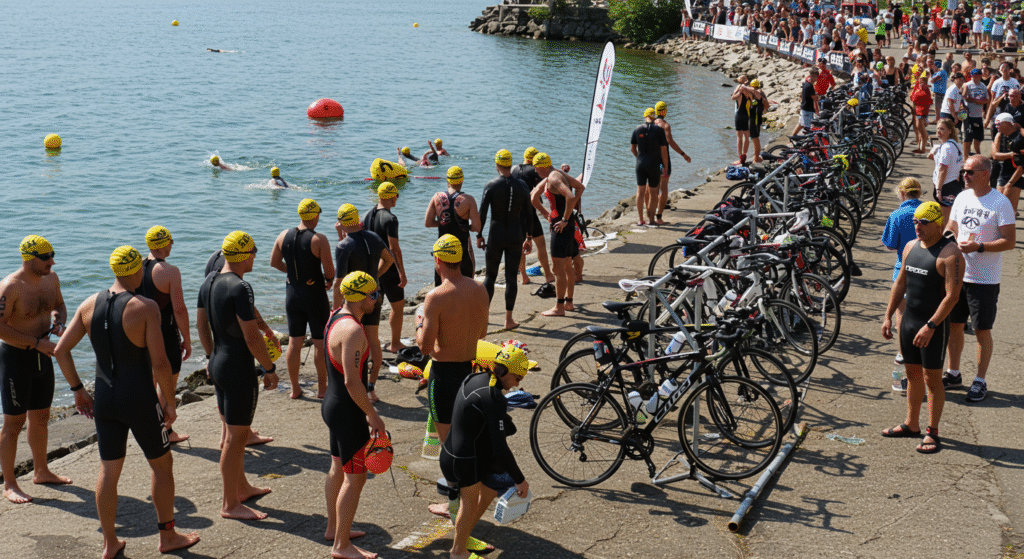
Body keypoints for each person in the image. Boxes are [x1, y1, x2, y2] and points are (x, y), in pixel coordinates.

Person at [53, 246, 201, 558]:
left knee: (108, 471)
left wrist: (78, 390)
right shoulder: (145, 306)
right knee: (162, 466)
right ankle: (168, 536)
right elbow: (160, 363)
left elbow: (60, 351)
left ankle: (110, 543)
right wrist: (170, 403)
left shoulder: (89, 304)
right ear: (135, 271)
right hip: (140, 400)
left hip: (105, 400)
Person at [196, 231, 280, 520]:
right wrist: (269, 368)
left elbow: (200, 325)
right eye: (254, 250)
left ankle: (241, 488)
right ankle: (230, 504)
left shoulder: (210, 281)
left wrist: (211, 357)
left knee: (237, 435)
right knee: (235, 438)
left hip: (219, 362)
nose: (257, 255)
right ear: (244, 254)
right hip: (238, 368)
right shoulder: (240, 287)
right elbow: (252, 337)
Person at [881, 200, 964, 455]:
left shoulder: (950, 254)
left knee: (932, 380)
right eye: (916, 221)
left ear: (938, 223)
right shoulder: (910, 246)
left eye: (924, 223)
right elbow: (900, 284)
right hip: (909, 323)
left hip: (933, 327)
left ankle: (933, 432)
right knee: (912, 376)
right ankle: (911, 423)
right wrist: (887, 316)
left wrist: (931, 325)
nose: (918, 227)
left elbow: (952, 296)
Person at [418, 235, 489, 519]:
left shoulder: (436, 296)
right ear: (460, 259)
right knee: (469, 438)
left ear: (437, 260)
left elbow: (424, 347)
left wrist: (420, 323)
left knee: (449, 445)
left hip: (444, 376)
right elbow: (482, 333)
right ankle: (474, 492)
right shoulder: (480, 289)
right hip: (471, 373)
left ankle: (454, 503)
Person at [441, 344, 531, 559]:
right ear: (506, 372)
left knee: (490, 489)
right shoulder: (494, 397)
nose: (516, 385)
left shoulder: (475, 377)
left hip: (449, 453)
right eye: (518, 378)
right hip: (465, 459)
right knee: (469, 503)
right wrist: (520, 479)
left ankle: (463, 538)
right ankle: (458, 551)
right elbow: (500, 447)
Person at [0, 235, 70, 504]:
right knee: (13, 423)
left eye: (52, 255)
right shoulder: (10, 287)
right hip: (16, 359)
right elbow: (1, 327)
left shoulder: (51, 279)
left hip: (43, 355)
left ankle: (41, 471)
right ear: (29, 260)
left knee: (41, 417)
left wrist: (59, 321)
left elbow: (60, 306)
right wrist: (36, 343)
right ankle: (9, 484)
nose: (52, 261)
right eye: (46, 258)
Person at [322, 271, 386, 559]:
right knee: (355, 478)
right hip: (347, 411)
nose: (377, 298)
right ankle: (342, 546)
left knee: (338, 466)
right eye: (374, 294)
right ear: (361, 297)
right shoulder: (354, 331)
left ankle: (334, 529)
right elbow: (352, 381)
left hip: (333, 406)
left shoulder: (335, 314)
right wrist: (372, 415)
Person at [943, 155, 1017, 402]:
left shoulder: (1000, 202)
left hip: (984, 278)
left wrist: (980, 247)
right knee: (954, 325)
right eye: (964, 171)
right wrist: (947, 238)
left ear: (985, 173)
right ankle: (953, 373)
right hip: (957, 273)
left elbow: (1010, 241)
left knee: (982, 329)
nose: (964, 175)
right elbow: (951, 227)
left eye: (969, 172)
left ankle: (980, 379)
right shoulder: (962, 197)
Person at [270, 198, 334, 400]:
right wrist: (329, 281)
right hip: (314, 295)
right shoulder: (319, 239)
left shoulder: (282, 235)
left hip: (292, 295)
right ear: (314, 215)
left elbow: (274, 262)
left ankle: (295, 389)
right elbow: (330, 271)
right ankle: (322, 389)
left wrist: (293, 274)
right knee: (319, 343)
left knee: (294, 342)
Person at [333, 203, 393, 405]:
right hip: (374, 295)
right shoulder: (373, 237)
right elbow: (389, 260)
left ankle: (352, 385)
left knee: (352, 343)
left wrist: (335, 310)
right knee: (373, 340)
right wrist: (375, 277)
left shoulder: (343, 246)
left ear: (340, 222)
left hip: (355, 301)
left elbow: (339, 283)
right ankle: (371, 389)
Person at [138, 226, 192, 444]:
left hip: (141, 335)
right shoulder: (169, 271)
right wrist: (187, 339)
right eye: (171, 242)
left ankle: (150, 429)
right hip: (165, 335)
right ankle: (165, 432)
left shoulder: (136, 267)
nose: (172, 246)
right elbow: (179, 309)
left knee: (150, 383)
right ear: (163, 243)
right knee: (166, 385)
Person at [478, 149, 534, 330]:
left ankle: (484, 318)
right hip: (516, 236)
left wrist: (479, 235)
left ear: (497, 165)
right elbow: (529, 214)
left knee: (490, 277)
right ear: (510, 165)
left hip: (496, 236)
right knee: (511, 277)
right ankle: (508, 320)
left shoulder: (491, 185)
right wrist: (529, 237)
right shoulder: (523, 186)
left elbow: (482, 214)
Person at [531, 153, 585, 317]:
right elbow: (580, 187)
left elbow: (570, 196)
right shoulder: (557, 175)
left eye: (538, 168)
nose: (535, 171)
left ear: (545, 166)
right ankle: (569, 302)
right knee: (567, 266)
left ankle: (559, 307)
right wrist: (548, 215)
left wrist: (564, 219)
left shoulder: (554, 179)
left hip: (561, 228)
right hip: (565, 225)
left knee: (558, 269)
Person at [881, 179, 926, 363]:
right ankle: (924, 354)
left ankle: (903, 353)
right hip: (928, 267)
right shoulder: (929, 211)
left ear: (901, 193)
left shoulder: (897, 214)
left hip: (903, 270)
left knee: (902, 315)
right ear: (919, 193)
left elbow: (890, 244)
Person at [364, 182, 408, 357]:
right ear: (390, 196)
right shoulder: (390, 219)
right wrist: (402, 273)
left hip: (372, 269)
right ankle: (395, 343)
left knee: (373, 308)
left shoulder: (367, 215)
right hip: (388, 269)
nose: (397, 198)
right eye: (396, 194)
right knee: (397, 307)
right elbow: (394, 248)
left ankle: (369, 345)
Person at [425, 166, 481, 286]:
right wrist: (465, 225)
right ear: (461, 180)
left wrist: (443, 223)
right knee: (467, 284)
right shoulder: (469, 199)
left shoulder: (437, 197)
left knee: (441, 287)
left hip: (443, 247)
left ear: (447, 180)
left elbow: (428, 223)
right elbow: (477, 227)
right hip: (462, 248)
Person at [511, 146, 557, 285]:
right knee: (540, 244)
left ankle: (524, 276)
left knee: (519, 246)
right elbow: (552, 175)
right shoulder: (534, 171)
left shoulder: (514, 169)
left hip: (514, 213)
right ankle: (548, 275)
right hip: (529, 213)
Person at [653, 101, 693, 222]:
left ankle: (650, 214)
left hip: (651, 159)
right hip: (663, 160)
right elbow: (670, 141)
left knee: (653, 187)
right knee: (664, 187)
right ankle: (659, 216)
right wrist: (683, 154)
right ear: (664, 111)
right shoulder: (666, 126)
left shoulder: (650, 124)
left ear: (655, 111)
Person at [629, 108, 669, 227]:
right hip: (654, 164)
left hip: (640, 164)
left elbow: (632, 148)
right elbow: (663, 150)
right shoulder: (659, 130)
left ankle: (641, 220)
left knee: (640, 192)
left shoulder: (637, 129)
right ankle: (651, 220)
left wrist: (639, 158)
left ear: (645, 116)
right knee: (653, 193)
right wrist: (665, 166)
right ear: (654, 117)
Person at [928, 119, 964, 224]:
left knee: (945, 221)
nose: (939, 131)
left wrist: (938, 190)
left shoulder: (946, 148)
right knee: (949, 218)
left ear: (949, 131)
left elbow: (943, 170)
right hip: (952, 184)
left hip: (946, 186)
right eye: (937, 129)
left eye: (942, 129)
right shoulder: (954, 145)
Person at [991, 112, 1024, 213]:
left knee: (1010, 211)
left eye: (999, 123)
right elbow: (995, 155)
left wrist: (1009, 184)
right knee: (999, 208)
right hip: (1002, 173)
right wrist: (1010, 155)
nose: (996, 126)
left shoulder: (1020, 138)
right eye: (996, 124)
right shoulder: (999, 135)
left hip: (1016, 175)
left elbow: (1021, 166)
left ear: (1008, 123)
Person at [963, 69, 991, 157]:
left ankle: (978, 154)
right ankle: (965, 157)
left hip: (978, 115)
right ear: (971, 76)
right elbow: (964, 98)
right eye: (974, 76)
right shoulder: (967, 85)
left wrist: (975, 101)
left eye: (978, 76)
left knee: (978, 138)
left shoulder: (983, 86)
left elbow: (987, 100)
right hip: (969, 115)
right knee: (968, 138)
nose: (976, 77)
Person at [744, 83, 771, 164]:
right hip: (757, 118)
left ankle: (756, 158)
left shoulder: (757, 96)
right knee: (755, 138)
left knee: (755, 139)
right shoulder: (761, 95)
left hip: (754, 120)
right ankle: (756, 156)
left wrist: (744, 86)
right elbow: (766, 107)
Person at [731, 77, 753, 165]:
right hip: (747, 115)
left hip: (739, 115)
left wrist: (739, 91)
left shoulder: (740, 91)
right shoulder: (750, 92)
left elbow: (733, 97)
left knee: (739, 137)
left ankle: (740, 158)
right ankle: (744, 156)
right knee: (747, 136)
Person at [794, 67, 820, 136]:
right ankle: (797, 139)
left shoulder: (806, 83)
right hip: (807, 109)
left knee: (801, 124)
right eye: (816, 77)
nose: (816, 79)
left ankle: (792, 137)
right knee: (807, 127)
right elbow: (815, 99)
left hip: (804, 107)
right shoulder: (810, 86)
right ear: (813, 76)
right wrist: (817, 96)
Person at [911, 72, 933, 154]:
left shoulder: (923, 89)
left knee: (922, 132)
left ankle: (922, 148)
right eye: (921, 79)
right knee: (920, 130)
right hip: (920, 111)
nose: (922, 81)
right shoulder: (919, 87)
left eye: (924, 80)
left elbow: (928, 100)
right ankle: (920, 147)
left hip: (922, 112)